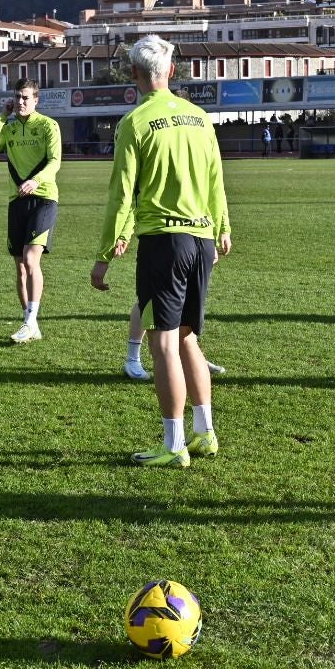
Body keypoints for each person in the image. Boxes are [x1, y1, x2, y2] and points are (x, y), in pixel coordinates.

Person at [92, 35, 230, 467]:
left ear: (133, 74)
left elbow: (122, 193)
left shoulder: (134, 123)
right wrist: (223, 226)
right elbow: (215, 178)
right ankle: (205, 432)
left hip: (164, 241)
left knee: (164, 343)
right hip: (203, 238)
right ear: (172, 71)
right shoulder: (199, 118)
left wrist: (104, 253)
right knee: (187, 337)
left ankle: (173, 445)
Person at [0, 79, 61, 343]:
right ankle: (30, 322)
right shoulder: (10, 127)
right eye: (18, 97)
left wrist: (36, 181)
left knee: (30, 259)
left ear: (36, 100)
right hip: (17, 202)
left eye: (26, 97)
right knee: (20, 268)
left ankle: (29, 322)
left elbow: (55, 161)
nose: (21, 102)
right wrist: (2, 116)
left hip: (44, 199)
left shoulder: (48, 125)